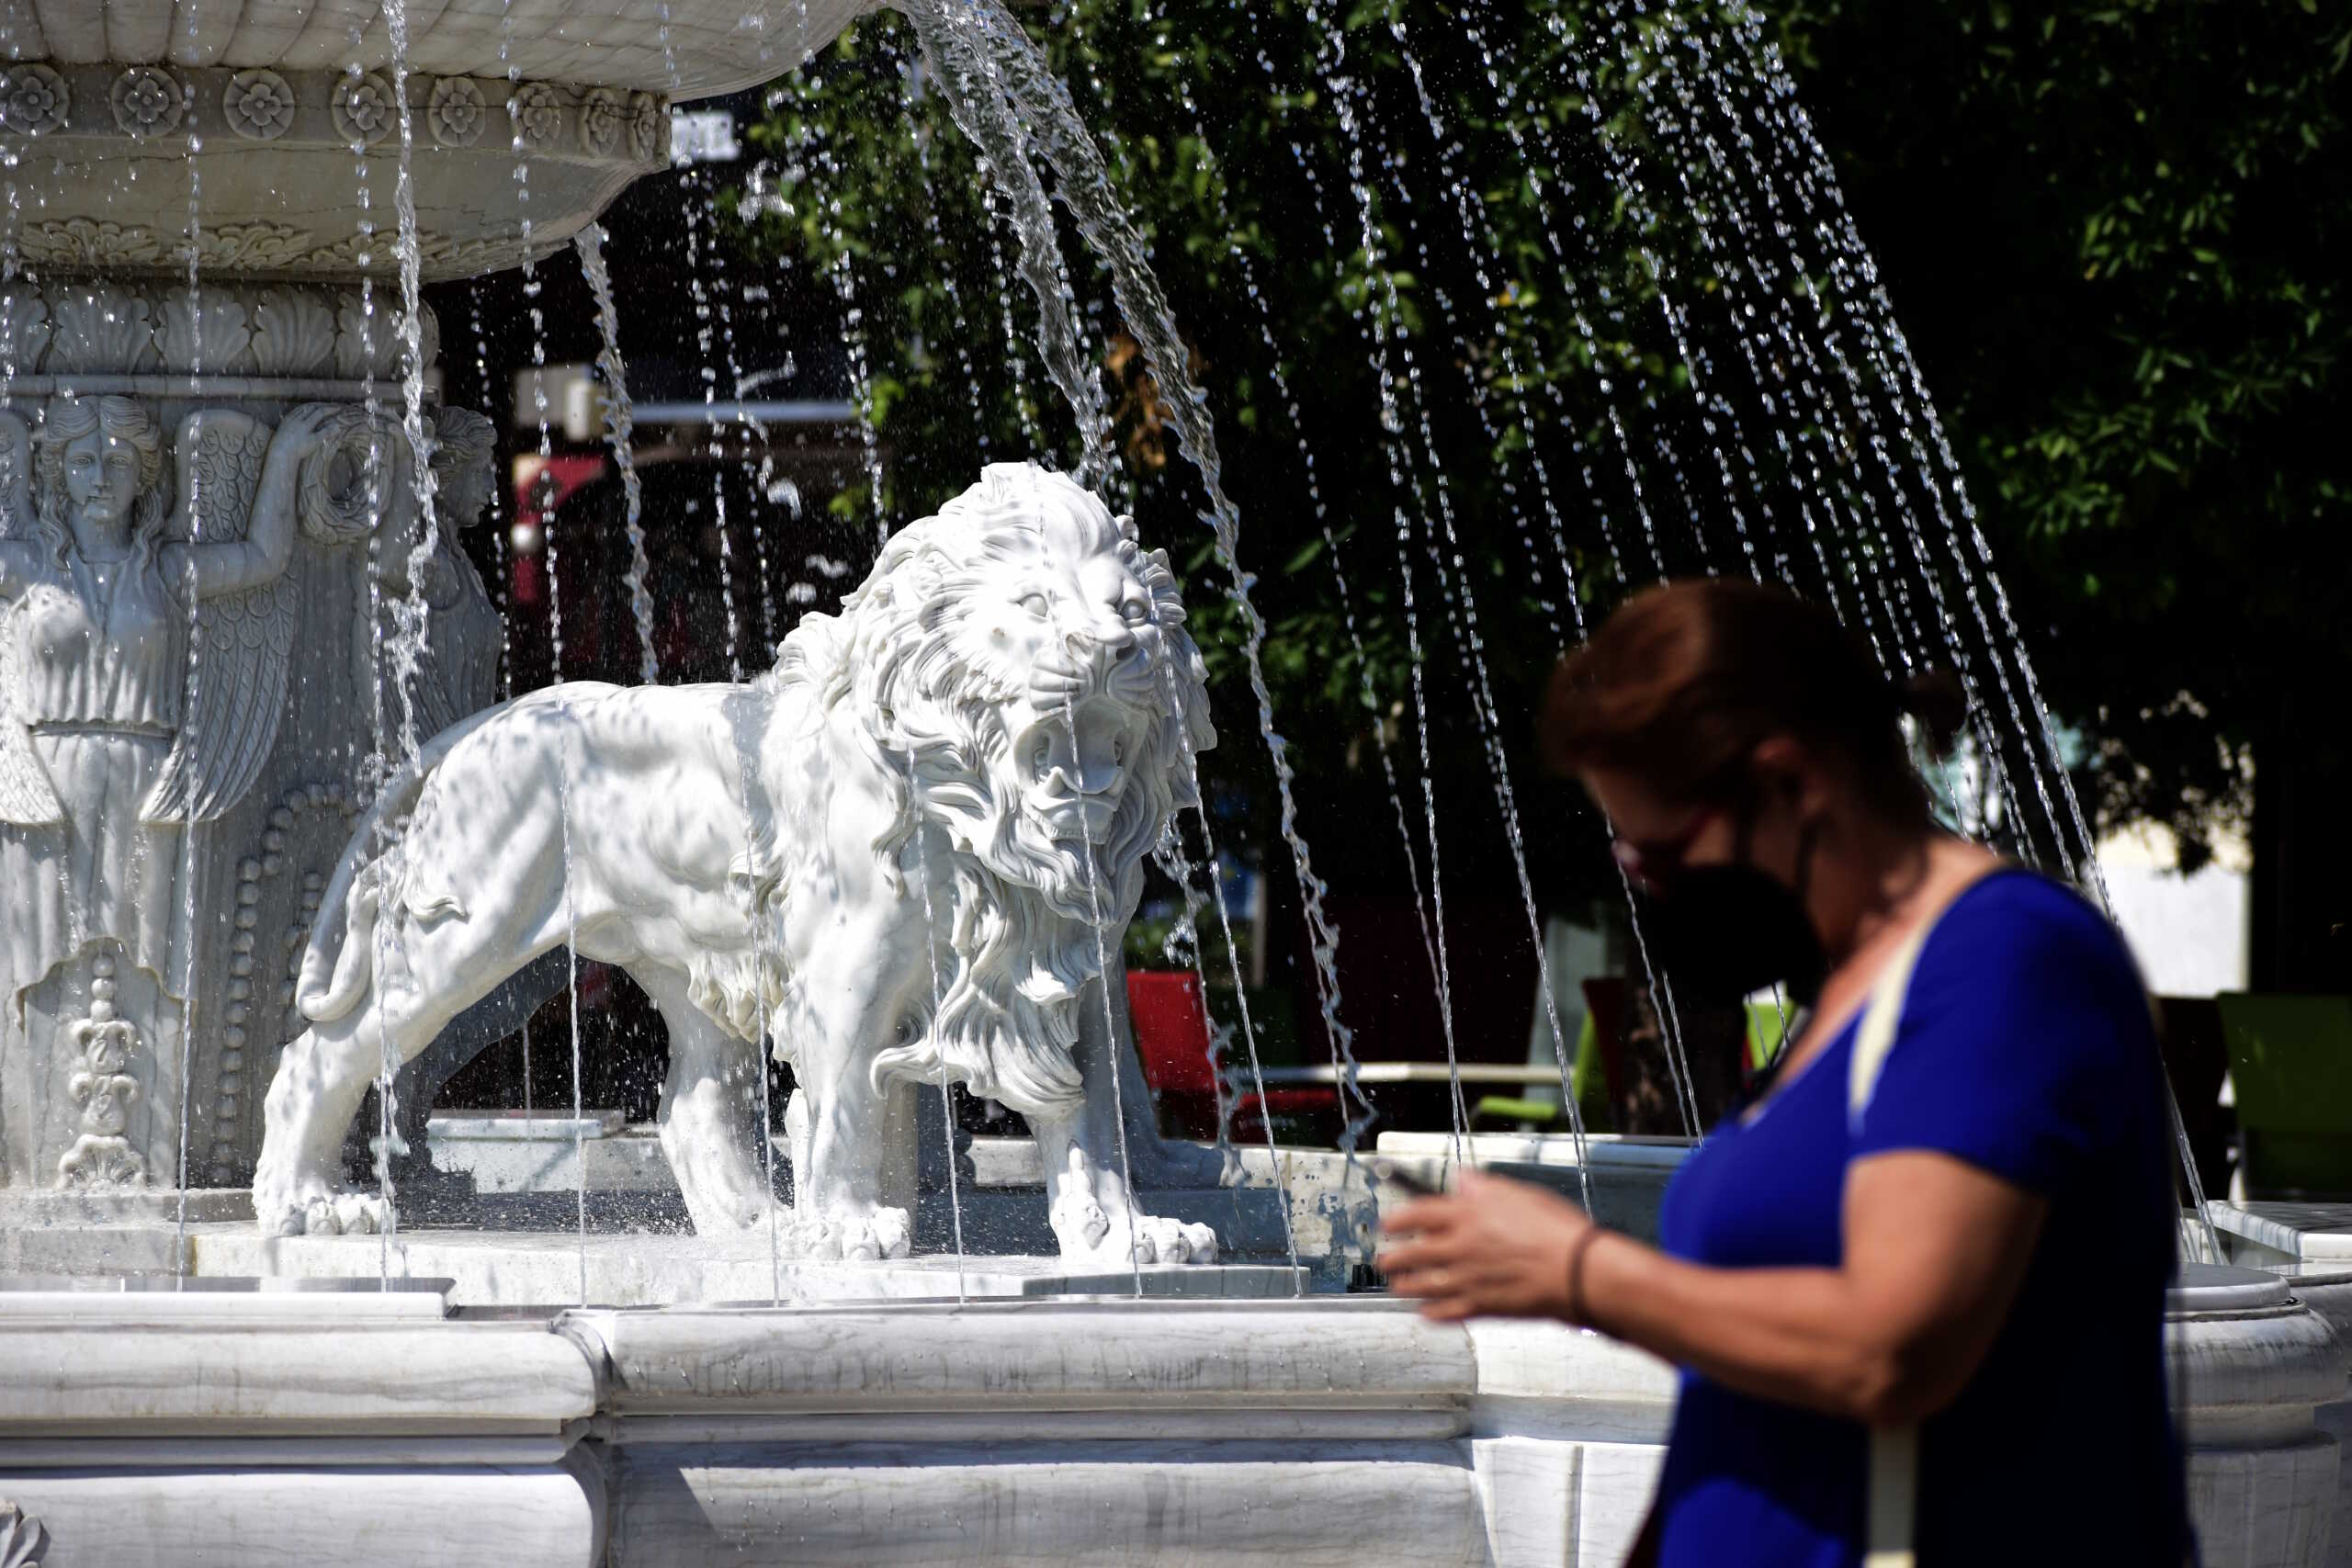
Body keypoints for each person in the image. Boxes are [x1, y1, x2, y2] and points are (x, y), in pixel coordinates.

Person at [1378, 580, 2186, 1566]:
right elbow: (1746, 1412)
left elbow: (1891, 1347)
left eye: (1665, 858)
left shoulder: (2005, 961)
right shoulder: (1840, 1001)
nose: (1653, 895)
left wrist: (1578, 1271)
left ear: (1791, 784)